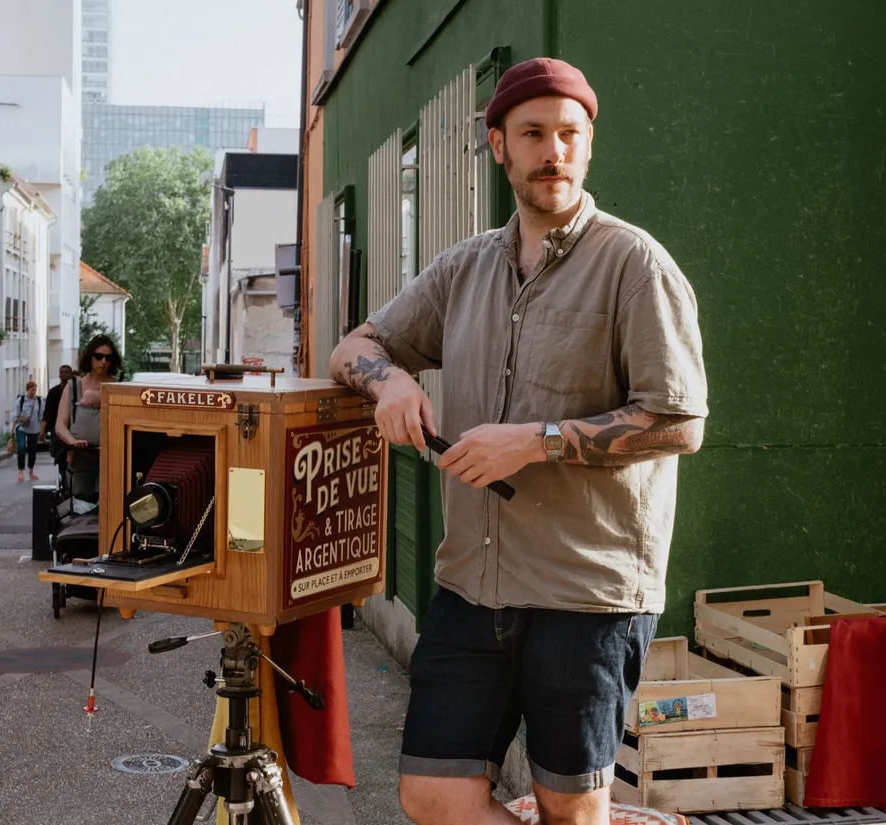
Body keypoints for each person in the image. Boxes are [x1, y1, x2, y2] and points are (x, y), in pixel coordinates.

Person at [329, 58, 709, 825]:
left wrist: (537, 441)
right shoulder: (462, 269)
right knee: (432, 794)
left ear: (589, 147)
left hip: (588, 593)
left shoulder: (635, 266)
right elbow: (353, 346)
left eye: (570, 135)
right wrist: (392, 382)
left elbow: (679, 420)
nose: (554, 152)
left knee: (570, 806)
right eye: (534, 134)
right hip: (471, 585)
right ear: (499, 145)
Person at [54, 335, 121, 499]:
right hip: (81, 459)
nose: (103, 361)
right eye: (98, 356)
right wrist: (72, 442)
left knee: (112, 502)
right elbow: (60, 425)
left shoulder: (120, 387)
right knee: (82, 503)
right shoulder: (74, 386)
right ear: (90, 357)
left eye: (108, 357)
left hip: (113, 458)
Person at [39, 364, 73, 475]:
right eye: (62, 372)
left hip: (73, 428)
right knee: (59, 455)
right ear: (59, 375)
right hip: (57, 429)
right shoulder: (53, 392)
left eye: (66, 372)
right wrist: (42, 429)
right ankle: (62, 477)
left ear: (71, 374)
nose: (64, 374)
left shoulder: (76, 391)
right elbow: (47, 412)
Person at [11, 381, 43, 483]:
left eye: (35, 390)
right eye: (31, 390)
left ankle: (31, 470)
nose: (33, 392)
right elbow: (15, 415)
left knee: (32, 450)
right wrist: (12, 430)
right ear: (27, 390)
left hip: (34, 428)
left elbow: (41, 416)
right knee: (21, 448)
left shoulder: (39, 401)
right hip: (21, 428)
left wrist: (42, 430)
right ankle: (20, 471)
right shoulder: (21, 400)